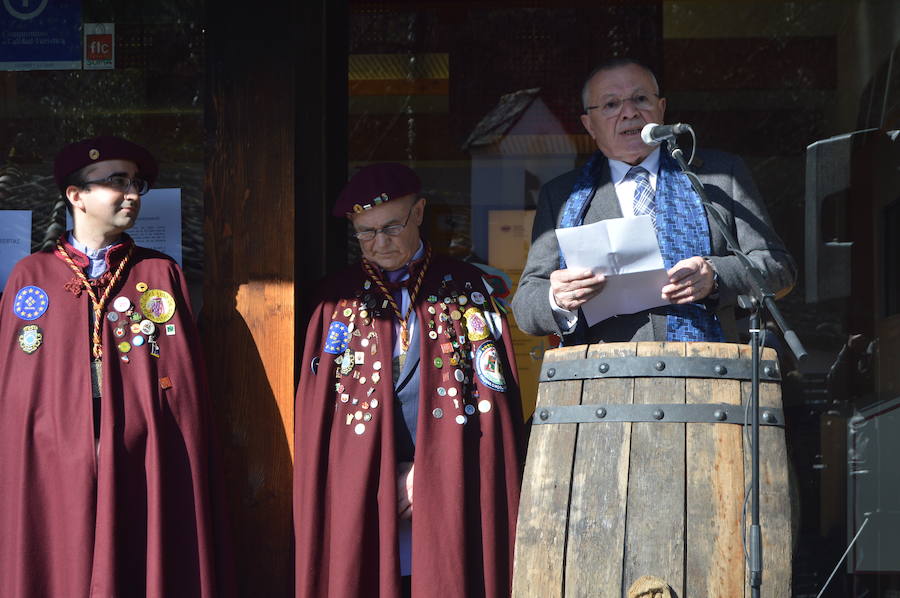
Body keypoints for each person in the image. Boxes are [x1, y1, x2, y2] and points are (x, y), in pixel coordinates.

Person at [0, 136, 234, 597]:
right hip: (52, 461)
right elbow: (17, 390)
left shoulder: (159, 274)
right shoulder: (31, 276)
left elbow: (182, 390)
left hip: (142, 457)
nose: (131, 193)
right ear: (76, 195)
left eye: (135, 183)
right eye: (116, 181)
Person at [294, 163, 524, 598]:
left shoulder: (466, 289)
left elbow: (491, 407)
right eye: (365, 233)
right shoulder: (334, 300)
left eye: (391, 227)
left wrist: (429, 471)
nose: (380, 243)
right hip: (363, 486)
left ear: (419, 213)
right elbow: (322, 416)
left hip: (454, 480)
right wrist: (381, 472)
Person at [512, 58, 796, 344]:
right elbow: (525, 305)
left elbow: (778, 268)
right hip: (604, 366)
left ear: (661, 109)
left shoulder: (718, 176)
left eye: (640, 99)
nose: (629, 113)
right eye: (611, 104)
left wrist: (715, 275)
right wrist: (557, 297)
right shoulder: (563, 195)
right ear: (589, 125)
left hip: (706, 362)